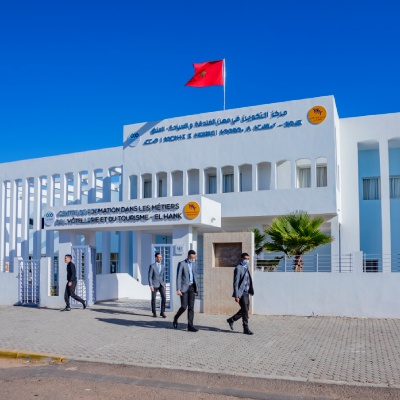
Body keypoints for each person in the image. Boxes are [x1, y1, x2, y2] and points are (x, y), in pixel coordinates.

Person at [226, 253, 254, 335]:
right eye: (245, 258)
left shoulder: (246, 267)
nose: (247, 260)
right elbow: (235, 283)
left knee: (246, 309)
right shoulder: (238, 268)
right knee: (245, 310)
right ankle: (246, 328)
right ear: (242, 258)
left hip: (246, 292)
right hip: (241, 293)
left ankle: (231, 320)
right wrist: (237, 295)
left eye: (248, 259)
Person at [173, 250, 198, 332]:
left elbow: (195, 277)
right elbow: (178, 277)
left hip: (192, 288)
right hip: (184, 288)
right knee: (184, 306)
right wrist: (178, 289)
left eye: (194, 258)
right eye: (192, 258)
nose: (193, 259)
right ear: (188, 256)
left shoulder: (194, 264)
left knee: (191, 307)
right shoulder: (182, 264)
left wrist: (196, 288)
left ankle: (190, 326)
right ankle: (176, 317)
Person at [148, 252, 167, 318]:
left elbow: (164, 276)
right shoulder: (152, 266)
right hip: (154, 284)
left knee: (164, 297)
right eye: (159, 257)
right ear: (156, 258)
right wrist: (151, 285)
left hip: (161, 284)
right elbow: (150, 276)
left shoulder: (163, 266)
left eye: (161, 257)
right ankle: (154, 312)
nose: (160, 259)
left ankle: (162, 312)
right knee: (153, 299)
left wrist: (164, 284)